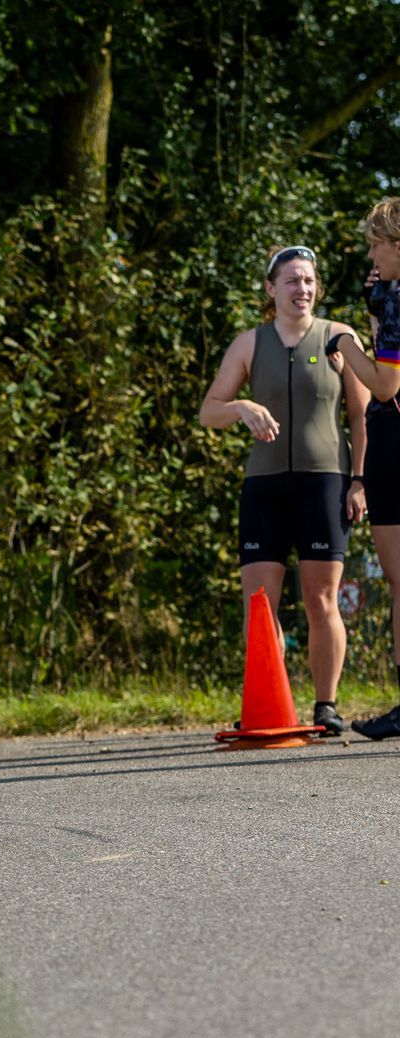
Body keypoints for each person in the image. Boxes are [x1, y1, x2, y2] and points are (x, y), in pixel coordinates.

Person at [200, 244, 371, 735]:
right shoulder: (249, 343)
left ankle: (326, 705)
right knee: (259, 602)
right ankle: (270, 701)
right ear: (271, 288)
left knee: (321, 600)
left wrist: (359, 481)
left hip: (325, 483)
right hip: (265, 487)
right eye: (293, 280)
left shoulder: (339, 337)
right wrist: (242, 407)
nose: (303, 289)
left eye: (310, 280)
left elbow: (362, 417)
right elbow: (210, 411)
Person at [327, 198, 400, 737]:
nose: (371, 255)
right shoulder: (391, 298)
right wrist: (376, 310)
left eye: (377, 245)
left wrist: (346, 341)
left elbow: (384, 384)